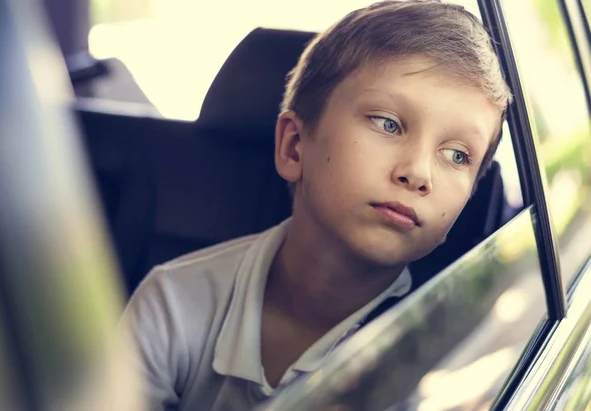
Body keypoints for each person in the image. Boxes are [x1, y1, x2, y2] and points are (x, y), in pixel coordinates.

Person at [122, 1, 512, 410]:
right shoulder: (172, 304)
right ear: (294, 146)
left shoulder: (450, 363)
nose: (418, 173)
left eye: (456, 155)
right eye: (387, 123)